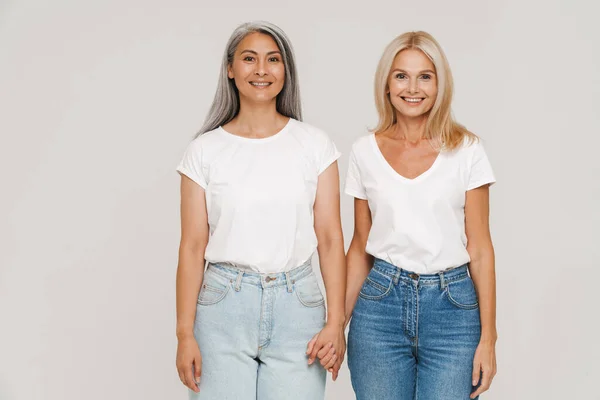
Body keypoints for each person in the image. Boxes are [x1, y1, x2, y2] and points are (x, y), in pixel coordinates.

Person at [174, 21, 346, 399]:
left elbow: (331, 240)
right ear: (230, 69)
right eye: (249, 59)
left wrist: (336, 323)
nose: (262, 70)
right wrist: (185, 334)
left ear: (286, 71)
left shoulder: (314, 145)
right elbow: (191, 248)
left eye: (273, 59)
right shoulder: (203, 152)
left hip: (298, 306)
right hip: (223, 307)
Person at [344, 31, 497, 400]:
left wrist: (489, 338)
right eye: (401, 76)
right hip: (379, 308)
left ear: (440, 84)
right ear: (386, 84)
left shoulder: (467, 150)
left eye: (425, 76)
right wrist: (336, 323)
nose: (413, 87)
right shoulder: (364, 151)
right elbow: (360, 247)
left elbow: (480, 248)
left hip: (453, 310)